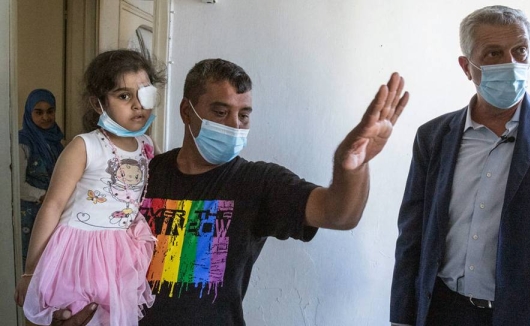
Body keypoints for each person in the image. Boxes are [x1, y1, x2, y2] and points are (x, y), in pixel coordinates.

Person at [49, 58, 409, 325]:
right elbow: (80, 236)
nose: (234, 126)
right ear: (186, 113)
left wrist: (354, 165)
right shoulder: (142, 173)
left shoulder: (258, 183)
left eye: (244, 115)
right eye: (220, 112)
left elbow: (339, 214)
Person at [390, 5, 530, 326]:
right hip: (444, 311)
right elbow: (412, 236)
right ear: (466, 66)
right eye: (493, 53)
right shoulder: (434, 137)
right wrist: (403, 317)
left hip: (528, 315)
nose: (511, 64)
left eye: (520, 51)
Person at [14, 49, 166, 325]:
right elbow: (52, 205)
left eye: (144, 94)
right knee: (77, 316)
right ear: (98, 104)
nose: (137, 105)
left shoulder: (147, 145)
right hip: (80, 254)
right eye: (123, 96)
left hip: (122, 253)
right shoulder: (84, 146)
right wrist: (30, 274)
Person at [18, 89, 64, 268]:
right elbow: (17, 185)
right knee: (31, 263)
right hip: (30, 214)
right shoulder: (23, 142)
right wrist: (43, 195)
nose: (45, 117)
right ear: (29, 113)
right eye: (38, 112)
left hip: (54, 210)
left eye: (50, 111)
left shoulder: (57, 142)